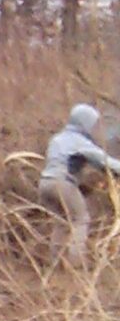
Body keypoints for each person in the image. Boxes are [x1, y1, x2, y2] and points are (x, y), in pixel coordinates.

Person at [38, 102, 120, 268]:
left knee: (62, 221)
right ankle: (77, 262)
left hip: (45, 183)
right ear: (85, 123)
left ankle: (56, 261)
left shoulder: (58, 138)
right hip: (62, 184)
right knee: (81, 219)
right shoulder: (79, 141)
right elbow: (102, 160)